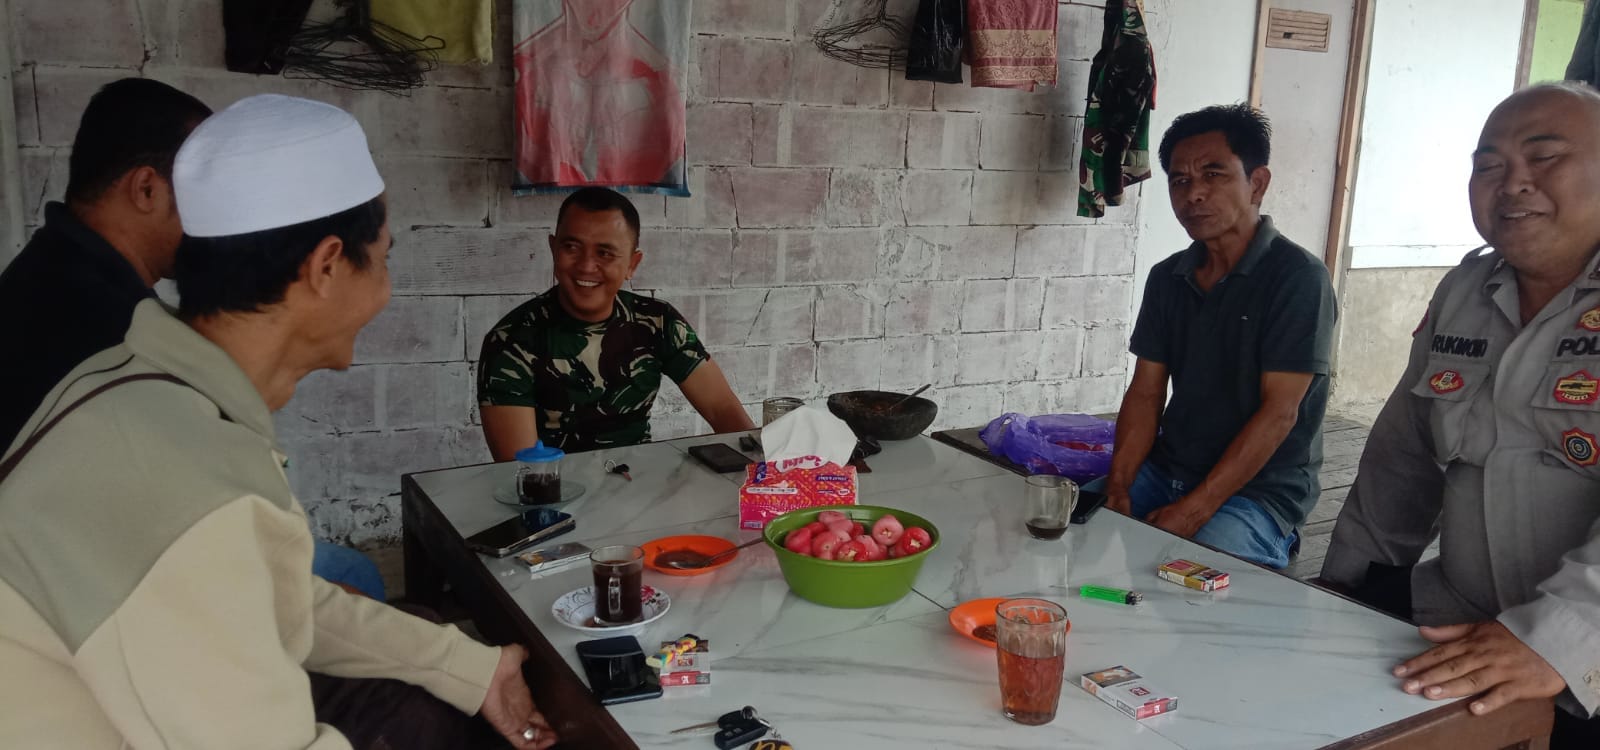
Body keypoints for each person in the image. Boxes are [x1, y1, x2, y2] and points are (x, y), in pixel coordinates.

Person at [0, 94, 557, 750]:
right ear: (326, 267)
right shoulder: (185, 486)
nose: (386, 289)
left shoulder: (147, 387)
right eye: (383, 259)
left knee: (423, 670)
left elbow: (282, 600)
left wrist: (470, 668)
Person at [0, 77, 383, 599]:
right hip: (78, 580)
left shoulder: (61, 272)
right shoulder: (107, 326)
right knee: (352, 579)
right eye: (202, 187)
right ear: (147, 189)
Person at [1321, 82, 1600, 747]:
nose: (1512, 183)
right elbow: (1401, 463)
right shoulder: (1466, 290)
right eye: (1488, 165)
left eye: (1544, 157)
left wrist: (1559, 639)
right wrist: (1341, 597)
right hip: (1465, 621)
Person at [1093, 103, 1337, 569]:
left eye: (1213, 174)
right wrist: (1118, 487)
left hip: (1259, 492)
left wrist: (1193, 512)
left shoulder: (1298, 278)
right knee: (1075, 529)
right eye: (1180, 181)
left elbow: (1280, 414)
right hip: (1168, 471)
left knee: (1184, 575)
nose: (1195, 194)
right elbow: (1145, 393)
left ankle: (1270, 547)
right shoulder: (1168, 277)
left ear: (1257, 183)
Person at [0, 78, 210, 451]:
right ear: (147, 189)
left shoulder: (44, 278)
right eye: (207, 191)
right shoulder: (119, 335)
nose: (218, 218)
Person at [477, 186, 753, 459]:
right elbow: (521, 469)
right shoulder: (511, 341)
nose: (586, 266)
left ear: (632, 264)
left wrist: (764, 476)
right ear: (553, 249)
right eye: (571, 247)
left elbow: (723, 410)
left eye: (605, 253)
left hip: (641, 479)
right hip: (554, 484)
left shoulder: (657, 322)